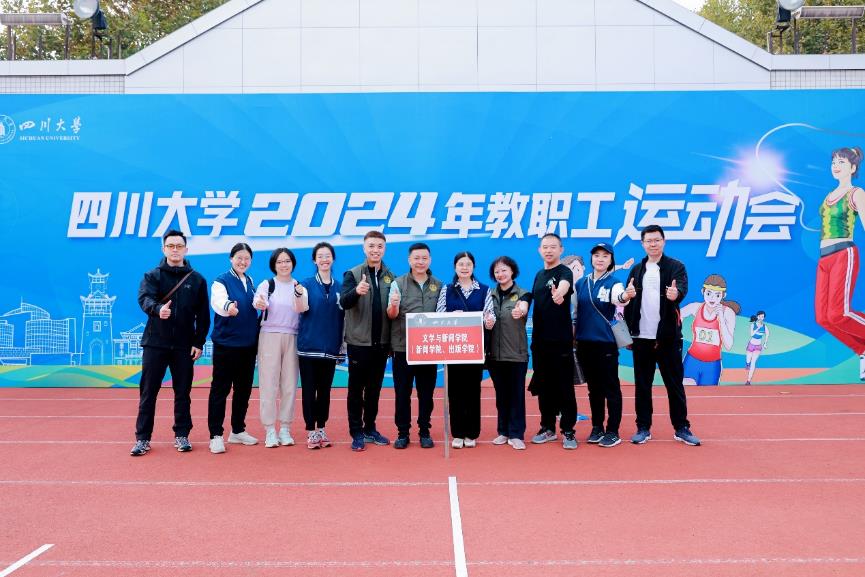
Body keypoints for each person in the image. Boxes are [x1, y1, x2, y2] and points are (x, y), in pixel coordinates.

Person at [131, 230, 210, 456]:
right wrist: (157, 309)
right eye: (171, 246)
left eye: (179, 246)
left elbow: (203, 316)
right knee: (148, 392)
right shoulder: (152, 276)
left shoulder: (197, 280)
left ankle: (182, 435)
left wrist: (198, 342)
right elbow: (144, 298)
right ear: (163, 249)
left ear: (186, 249)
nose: (175, 250)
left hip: (184, 346)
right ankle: (143, 439)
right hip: (155, 343)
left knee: (183, 392)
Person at [623, 224, 701, 446]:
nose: (653, 244)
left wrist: (676, 293)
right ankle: (643, 427)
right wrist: (629, 330)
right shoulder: (637, 270)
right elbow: (629, 301)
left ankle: (681, 427)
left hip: (668, 338)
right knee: (642, 386)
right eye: (649, 241)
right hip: (641, 338)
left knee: (674, 385)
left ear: (663, 241)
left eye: (657, 240)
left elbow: (681, 289)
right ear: (642, 244)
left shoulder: (676, 267)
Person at [573, 243, 633, 448]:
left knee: (611, 388)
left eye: (605, 256)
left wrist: (626, 296)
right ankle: (597, 427)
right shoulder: (581, 283)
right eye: (596, 255)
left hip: (606, 344)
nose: (600, 259)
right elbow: (574, 311)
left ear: (611, 260)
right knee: (594, 389)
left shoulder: (614, 283)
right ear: (591, 259)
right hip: (584, 343)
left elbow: (619, 298)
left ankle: (613, 431)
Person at [340, 231, 394, 451]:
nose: (375, 250)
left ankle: (370, 428)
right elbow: (344, 302)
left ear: (384, 249)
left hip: (381, 344)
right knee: (356, 390)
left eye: (379, 246)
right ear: (364, 248)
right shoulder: (353, 274)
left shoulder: (390, 276)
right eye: (371, 246)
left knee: (374, 390)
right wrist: (356, 291)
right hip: (359, 343)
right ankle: (356, 432)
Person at [815, 147, 865, 380]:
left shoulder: (856, 193)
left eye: (842, 162)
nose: (836, 165)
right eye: (834, 161)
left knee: (838, 314)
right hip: (824, 259)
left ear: (853, 168)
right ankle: (862, 351)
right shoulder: (829, 196)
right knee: (823, 318)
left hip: (844, 253)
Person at [436, 251, 495, 449]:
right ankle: (458, 433)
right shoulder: (447, 289)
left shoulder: (484, 290)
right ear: (455, 267)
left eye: (468, 264)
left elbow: (489, 315)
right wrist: (453, 316)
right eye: (461, 264)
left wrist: (489, 321)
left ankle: (472, 433)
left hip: (474, 349)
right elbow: (439, 315)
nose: (464, 267)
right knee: (455, 391)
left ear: (473, 267)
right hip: (454, 349)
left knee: (472, 390)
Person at [387, 243, 442, 449]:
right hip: (403, 348)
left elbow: (443, 314)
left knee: (426, 393)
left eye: (424, 258)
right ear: (409, 260)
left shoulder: (439, 285)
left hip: (428, 349)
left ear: (430, 260)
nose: (420, 262)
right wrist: (394, 305)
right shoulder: (398, 283)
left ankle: (424, 431)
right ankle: (403, 433)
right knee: (402, 393)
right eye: (416, 258)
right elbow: (391, 314)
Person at [207, 242, 260, 454]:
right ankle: (215, 435)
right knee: (220, 390)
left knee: (243, 390)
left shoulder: (250, 281)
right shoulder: (220, 281)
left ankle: (237, 430)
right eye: (239, 258)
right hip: (226, 345)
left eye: (246, 259)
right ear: (231, 259)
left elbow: (255, 304)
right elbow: (218, 302)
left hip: (248, 346)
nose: (242, 262)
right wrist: (228, 306)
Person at [528, 233, 579, 450]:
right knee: (544, 385)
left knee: (564, 386)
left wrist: (560, 294)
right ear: (540, 250)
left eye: (553, 247)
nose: (548, 250)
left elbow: (565, 285)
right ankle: (547, 427)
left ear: (561, 249)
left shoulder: (564, 271)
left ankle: (568, 430)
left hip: (560, 341)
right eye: (545, 247)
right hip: (540, 341)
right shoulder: (539, 275)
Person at [296, 242, 345, 449]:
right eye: (320, 256)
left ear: (333, 259)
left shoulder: (340, 287)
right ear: (314, 260)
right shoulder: (305, 284)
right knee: (309, 390)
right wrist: (298, 294)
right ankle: (311, 431)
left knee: (325, 391)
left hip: (331, 348)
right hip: (308, 347)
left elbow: (344, 318)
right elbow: (300, 308)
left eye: (327, 256)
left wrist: (341, 347)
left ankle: (321, 428)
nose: (324, 259)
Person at [253, 248, 301, 449]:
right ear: (274, 265)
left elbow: (304, 307)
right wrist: (260, 302)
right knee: (269, 383)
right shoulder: (267, 284)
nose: (284, 265)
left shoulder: (298, 286)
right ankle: (270, 430)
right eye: (279, 262)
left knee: (289, 384)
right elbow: (258, 300)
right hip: (270, 336)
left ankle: (285, 429)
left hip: (293, 336)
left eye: (287, 261)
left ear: (293, 263)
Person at [487, 256, 531, 450]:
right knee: (501, 395)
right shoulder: (489, 295)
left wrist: (520, 311)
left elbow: (524, 306)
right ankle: (503, 431)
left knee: (516, 395)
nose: (500, 274)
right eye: (497, 271)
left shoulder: (523, 294)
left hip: (516, 355)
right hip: (495, 356)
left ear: (512, 271)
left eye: (504, 270)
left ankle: (516, 434)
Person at [680, 274, 740, 387]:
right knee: (686, 391)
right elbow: (676, 315)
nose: (712, 298)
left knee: (706, 396)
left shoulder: (728, 313)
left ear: (723, 295)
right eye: (708, 293)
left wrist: (721, 320)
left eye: (717, 295)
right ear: (702, 292)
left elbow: (728, 345)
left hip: (712, 365)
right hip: (692, 360)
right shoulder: (695, 307)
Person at [561, 255, 587, 387]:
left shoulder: (587, 285)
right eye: (568, 270)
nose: (573, 273)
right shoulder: (562, 289)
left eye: (576, 269)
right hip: (567, 333)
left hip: (585, 333)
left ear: (583, 268)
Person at [745, 311, 769, 385]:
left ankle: (748, 380)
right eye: (760, 316)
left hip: (758, 346)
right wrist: (757, 328)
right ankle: (747, 364)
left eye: (762, 317)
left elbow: (768, 334)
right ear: (757, 317)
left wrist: (765, 343)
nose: (761, 318)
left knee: (753, 362)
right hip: (751, 345)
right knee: (748, 360)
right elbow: (752, 334)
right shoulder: (753, 325)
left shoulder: (764, 326)